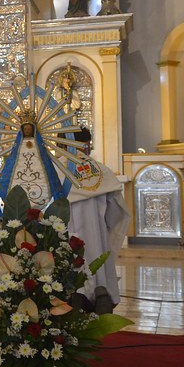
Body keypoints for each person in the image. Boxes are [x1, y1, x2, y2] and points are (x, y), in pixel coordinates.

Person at [67, 128, 130, 314]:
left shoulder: (58, 169)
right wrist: (106, 228)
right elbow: (117, 208)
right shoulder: (101, 170)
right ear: (88, 143)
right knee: (97, 261)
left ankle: (74, 296)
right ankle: (100, 293)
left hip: (67, 232)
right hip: (98, 234)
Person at [0, 118, 68, 220]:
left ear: (34, 130)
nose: (27, 131)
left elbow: (44, 161)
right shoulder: (18, 145)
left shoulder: (38, 145)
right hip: (19, 172)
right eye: (25, 129)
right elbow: (12, 161)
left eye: (29, 129)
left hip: (38, 174)